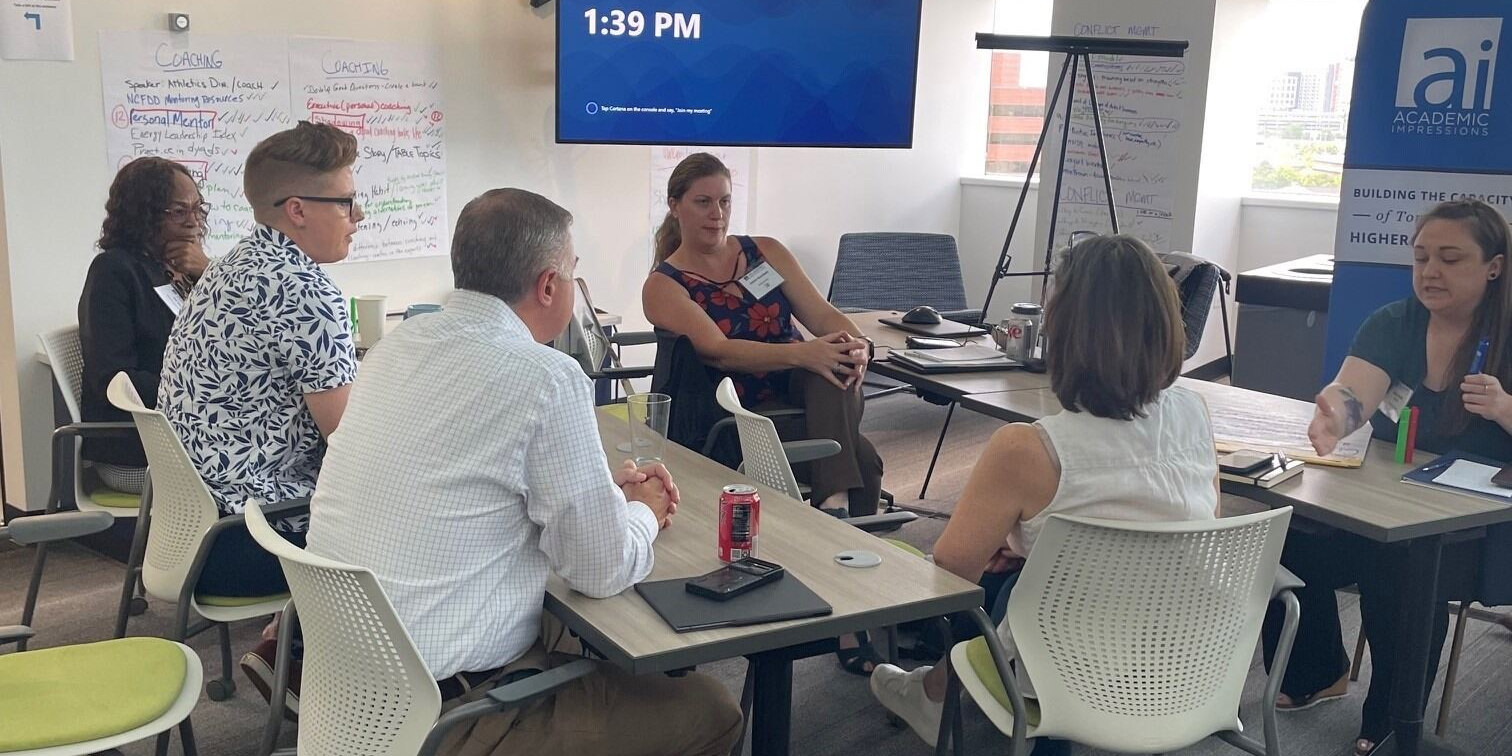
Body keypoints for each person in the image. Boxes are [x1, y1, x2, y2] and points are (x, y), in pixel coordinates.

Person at [305, 188, 741, 756]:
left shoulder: (395, 347)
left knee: (567, 624)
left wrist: (598, 494)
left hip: (348, 688)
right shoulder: (547, 377)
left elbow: (463, 479)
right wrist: (641, 514)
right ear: (549, 287)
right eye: (574, 271)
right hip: (454, 717)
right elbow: (600, 569)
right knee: (712, 708)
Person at [869, 235, 1220, 753]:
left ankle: (934, 694)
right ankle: (934, 691)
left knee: (1001, 587)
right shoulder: (1196, 414)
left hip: (1075, 671)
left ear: (1064, 328)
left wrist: (1020, 544)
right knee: (1026, 583)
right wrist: (1041, 545)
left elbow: (949, 575)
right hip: (1182, 658)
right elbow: (1193, 520)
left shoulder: (1028, 448)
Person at [1263, 199, 1512, 756]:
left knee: (1400, 565)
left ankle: (1393, 723)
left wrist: (1504, 408)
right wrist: (1334, 415)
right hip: (1391, 503)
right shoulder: (1395, 322)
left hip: (1484, 529)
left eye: (1450, 259)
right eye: (1421, 257)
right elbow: (1357, 396)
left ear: (1493, 267)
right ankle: (1317, 670)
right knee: (1285, 533)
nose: (1430, 272)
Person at [643, 152, 887, 674]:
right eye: (703, 202)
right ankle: (850, 617)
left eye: (725, 202)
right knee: (862, 458)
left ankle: (832, 509)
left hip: (808, 394)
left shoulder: (766, 252)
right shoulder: (663, 285)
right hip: (736, 411)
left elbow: (823, 316)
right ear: (675, 206)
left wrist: (853, 342)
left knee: (835, 364)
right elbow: (717, 350)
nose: (717, 214)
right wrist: (808, 352)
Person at [157, 121, 363, 702]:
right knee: (410, 505)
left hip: (196, 528)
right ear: (297, 210)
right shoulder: (303, 290)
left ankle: (285, 644)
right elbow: (350, 441)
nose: (359, 215)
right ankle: (339, 681)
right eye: (347, 202)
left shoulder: (233, 265)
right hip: (246, 541)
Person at [78, 157, 211, 494]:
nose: (193, 222)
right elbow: (112, 377)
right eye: (179, 212)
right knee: (255, 476)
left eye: (198, 209)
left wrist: (209, 273)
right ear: (142, 215)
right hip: (139, 449)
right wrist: (198, 394)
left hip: (190, 431)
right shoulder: (114, 272)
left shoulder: (184, 270)